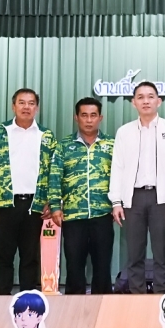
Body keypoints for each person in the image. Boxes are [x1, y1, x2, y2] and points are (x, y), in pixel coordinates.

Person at [109, 81, 165, 294]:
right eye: (140, 97)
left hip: (162, 197)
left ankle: (161, 295)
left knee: (161, 252)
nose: (146, 101)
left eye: (150, 96)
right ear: (133, 103)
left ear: (159, 101)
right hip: (133, 198)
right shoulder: (124, 132)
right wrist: (116, 201)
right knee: (134, 253)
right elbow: (118, 167)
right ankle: (137, 296)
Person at [0, 89, 57, 296]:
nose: (26, 107)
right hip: (4, 204)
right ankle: (0, 301)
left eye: (31, 103)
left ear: (37, 108)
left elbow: (54, 171)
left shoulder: (46, 135)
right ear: (13, 106)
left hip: (35, 205)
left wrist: (52, 201)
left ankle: (29, 301)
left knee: (30, 257)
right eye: (21, 103)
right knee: (3, 256)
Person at [48, 98, 115, 295]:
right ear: (76, 117)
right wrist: (55, 206)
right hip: (73, 216)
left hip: (103, 214)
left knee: (102, 267)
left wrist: (118, 204)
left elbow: (120, 176)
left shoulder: (111, 145)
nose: (89, 120)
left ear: (100, 118)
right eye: (84, 115)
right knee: (74, 267)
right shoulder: (64, 146)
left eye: (93, 115)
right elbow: (55, 177)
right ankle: (74, 309)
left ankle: (103, 308)